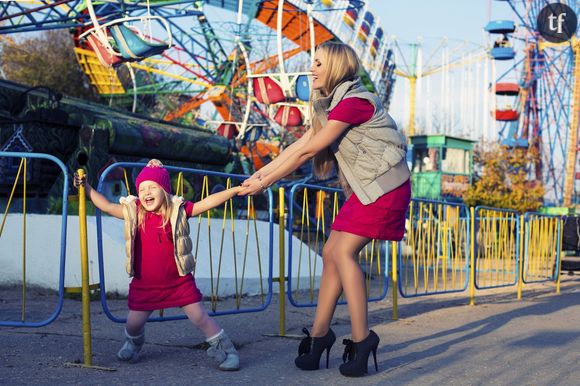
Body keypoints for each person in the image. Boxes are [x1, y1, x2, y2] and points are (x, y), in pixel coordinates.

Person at [239, 42, 411, 377]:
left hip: (385, 186)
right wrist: (261, 176)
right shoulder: (329, 105)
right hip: (367, 188)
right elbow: (301, 145)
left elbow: (311, 150)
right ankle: (320, 336)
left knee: (344, 252)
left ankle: (363, 341)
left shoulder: (355, 102)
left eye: (318, 63)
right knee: (331, 250)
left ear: (334, 67)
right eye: (311, 62)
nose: (311, 69)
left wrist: (265, 182)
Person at [74, 159, 240, 370]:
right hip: (145, 284)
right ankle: (134, 342)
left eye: (152, 187)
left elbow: (205, 203)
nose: (146, 192)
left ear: (165, 191)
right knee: (133, 323)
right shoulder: (134, 210)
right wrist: (86, 187)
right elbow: (106, 205)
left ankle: (227, 350)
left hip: (178, 282)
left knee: (200, 316)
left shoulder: (177, 210)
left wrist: (233, 191)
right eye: (142, 188)